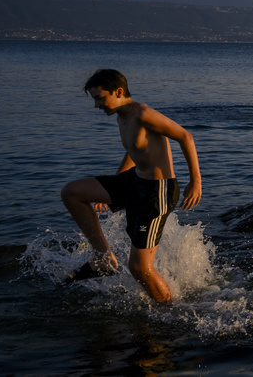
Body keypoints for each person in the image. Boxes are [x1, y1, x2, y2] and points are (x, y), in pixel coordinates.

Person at [60, 69, 202, 303]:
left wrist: (195, 181)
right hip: (134, 180)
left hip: (156, 192)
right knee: (72, 193)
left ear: (118, 92)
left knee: (139, 268)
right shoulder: (121, 115)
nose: (97, 105)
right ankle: (103, 258)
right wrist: (111, 187)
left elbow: (185, 136)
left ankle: (171, 311)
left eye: (99, 97)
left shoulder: (142, 113)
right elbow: (133, 150)